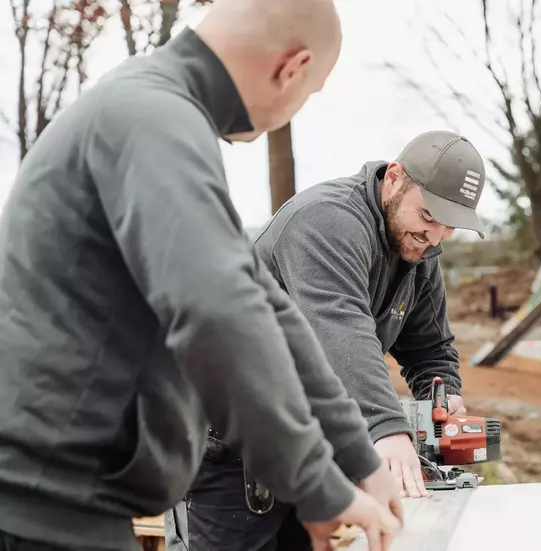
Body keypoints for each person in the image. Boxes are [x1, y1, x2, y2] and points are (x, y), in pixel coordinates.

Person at [0, 0, 403, 550]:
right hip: (44, 511)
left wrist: (357, 455)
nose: (293, 110)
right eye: (307, 95)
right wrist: (315, 486)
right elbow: (219, 314)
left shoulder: (157, 115)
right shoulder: (152, 118)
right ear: (291, 68)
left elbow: (268, 311)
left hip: (64, 504)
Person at [166, 130, 488, 550]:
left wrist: (440, 399)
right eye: (427, 217)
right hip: (226, 445)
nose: (434, 237)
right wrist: (388, 430)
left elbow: (429, 348)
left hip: (302, 447)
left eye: (448, 227)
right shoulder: (326, 221)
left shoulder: (417, 251)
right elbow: (339, 328)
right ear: (395, 178)